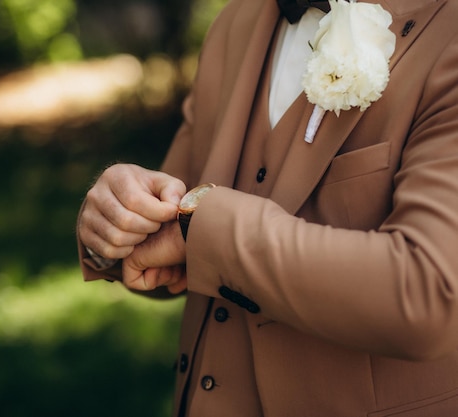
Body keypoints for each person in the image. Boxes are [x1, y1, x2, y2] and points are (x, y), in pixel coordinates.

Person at [76, 0, 458, 415]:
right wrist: (114, 220)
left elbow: (428, 295)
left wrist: (204, 226)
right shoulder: (237, 21)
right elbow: (165, 234)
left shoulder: (449, 34)